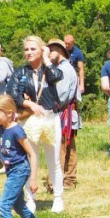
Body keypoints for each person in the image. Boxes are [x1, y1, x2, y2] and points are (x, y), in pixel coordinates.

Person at [7, 36, 65, 214]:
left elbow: (57, 76)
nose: (29, 53)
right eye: (26, 49)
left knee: (53, 159)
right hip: (30, 120)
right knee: (30, 159)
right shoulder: (20, 72)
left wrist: (47, 60)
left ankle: (58, 197)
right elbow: (12, 93)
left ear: (42, 50)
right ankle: (30, 199)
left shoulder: (49, 70)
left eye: (33, 49)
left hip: (50, 118)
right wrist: (28, 104)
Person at [47, 39, 79, 190]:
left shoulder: (64, 69)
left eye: (51, 50)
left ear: (59, 51)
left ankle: (57, 181)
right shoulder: (62, 67)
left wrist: (48, 106)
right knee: (68, 147)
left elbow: (61, 95)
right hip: (65, 112)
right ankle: (68, 180)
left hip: (63, 113)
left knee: (59, 147)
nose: (47, 53)